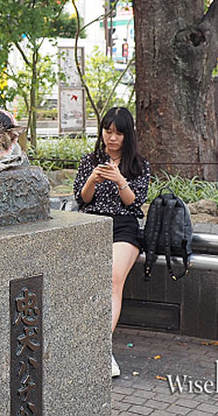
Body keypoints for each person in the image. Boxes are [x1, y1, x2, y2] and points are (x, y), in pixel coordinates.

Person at [72, 106, 150, 379]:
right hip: (91, 225)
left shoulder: (138, 165)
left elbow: (134, 202)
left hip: (123, 228)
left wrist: (119, 180)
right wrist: (93, 178)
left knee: (113, 280)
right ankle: (90, 347)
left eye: (118, 133)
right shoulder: (89, 161)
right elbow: (83, 200)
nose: (112, 138)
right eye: (108, 131)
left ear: (128, 135)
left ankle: (100, 348)